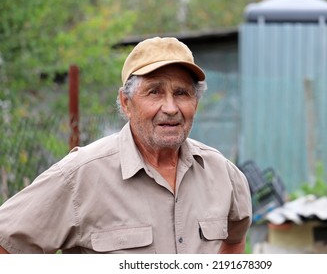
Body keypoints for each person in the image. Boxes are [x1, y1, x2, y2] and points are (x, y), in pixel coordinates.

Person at [0, 37, 251, 254]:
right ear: (126, 102)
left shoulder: (223, 174)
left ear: (195, 103)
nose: (171, 108)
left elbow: (234, 239)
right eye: (154, 92)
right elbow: (7, 243)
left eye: (182, 93)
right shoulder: (80, 175)